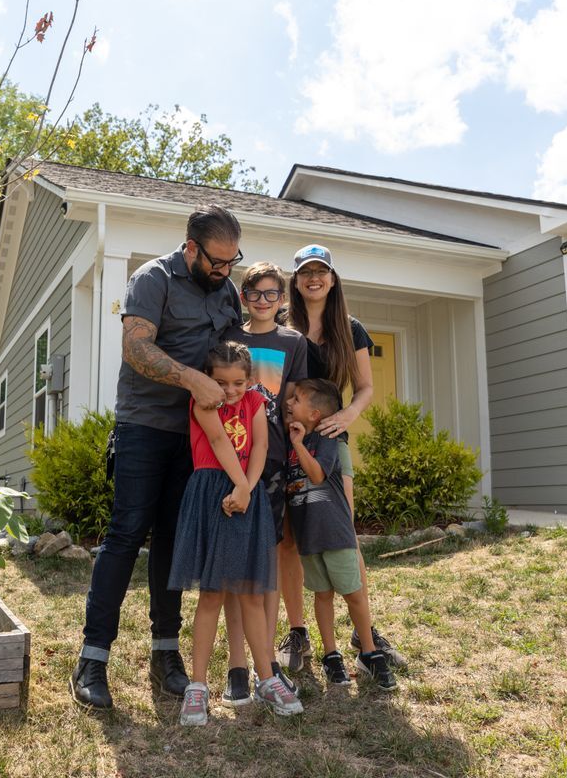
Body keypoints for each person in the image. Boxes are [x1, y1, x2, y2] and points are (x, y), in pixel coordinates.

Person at [71, 205, 244, 711]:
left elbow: (237, 354)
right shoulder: (153, 278)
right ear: (191, 248)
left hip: (196, 436)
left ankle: (165, 654)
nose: (224, 271)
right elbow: (135, 348)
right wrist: (191, 378)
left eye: (232, 261)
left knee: (173, 539)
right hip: (144, 427)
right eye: (216, 261)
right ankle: (92, 658)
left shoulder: (227, 291)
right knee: (125, 536)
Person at [277, 243, 408, 672]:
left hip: (331, 442)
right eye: (305, 272)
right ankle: (298, 633)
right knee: (290, 539)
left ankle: (363, 630)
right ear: (295, 281)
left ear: (333, 279)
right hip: (289, 442)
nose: (314, 278)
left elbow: (365, 386)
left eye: (322, 271)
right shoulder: (282, 324)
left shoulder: (350, 329)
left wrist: (348, 413)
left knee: (343, 535)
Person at [167, 342, 304, 725]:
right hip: (213, 492)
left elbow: (260, 446)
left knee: (250, 593)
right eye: (221, 382)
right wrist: (239, 487)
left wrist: (247, 488)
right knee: (212, 594)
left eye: (238, 383)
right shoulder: (202, 403)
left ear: (249, 380)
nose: (230, 391)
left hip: (247, 494)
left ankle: (267, 678)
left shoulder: (256, 404)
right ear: (208, 378)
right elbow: (217, 442)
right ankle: (197, 686)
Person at [218, 262, 308, 706]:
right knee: (236, 567)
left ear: (282, 299)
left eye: (272, 294)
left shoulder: (293, 343)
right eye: (254, 293)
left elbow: (294, 403)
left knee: (267, 567)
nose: (262, 301)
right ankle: (237, 665)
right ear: (244, 295)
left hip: (271, 464)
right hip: (228, 466)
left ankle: (265, 666)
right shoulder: (230, 339)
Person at [285, 378, 396, 691]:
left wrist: (296, 444)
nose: (289, 403)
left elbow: (318, 474)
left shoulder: (326, 437)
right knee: (322, 595)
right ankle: (331, 654)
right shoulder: (293, 436)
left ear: (315, 415)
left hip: (334, 532)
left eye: (296, 399)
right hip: (308, 536)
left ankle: (370, 654)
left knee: (353, 593)